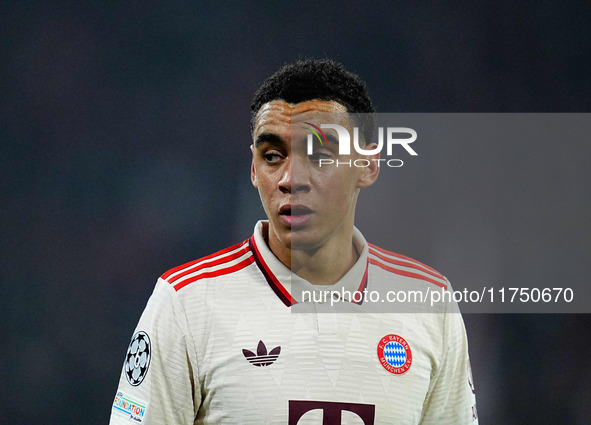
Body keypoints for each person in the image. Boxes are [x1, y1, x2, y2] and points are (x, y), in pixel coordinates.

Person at [109, 59, 478, 424]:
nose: (290, 178)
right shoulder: (186, 302)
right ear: (254, 170)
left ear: (367, 166)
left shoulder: (430, 303)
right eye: (272, 156)